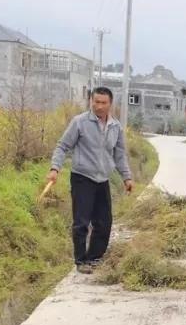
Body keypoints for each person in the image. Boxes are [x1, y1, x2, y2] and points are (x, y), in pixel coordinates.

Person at [48, 86, 133, 274]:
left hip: (102, 179)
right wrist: (55, 168)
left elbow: (119, 155)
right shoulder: (79, 122)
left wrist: (127, 177)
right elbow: (62, 146)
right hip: (82, 178)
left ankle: (94, 258)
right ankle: (80, 260)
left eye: (103, 103)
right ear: (91, 102)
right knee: (81, 222)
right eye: (96, 102)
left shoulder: (115, 127)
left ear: (110, 104)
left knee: (104, 222)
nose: (99, 106)